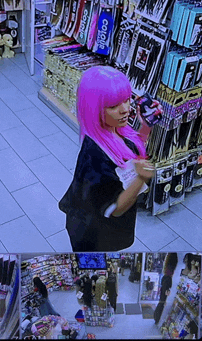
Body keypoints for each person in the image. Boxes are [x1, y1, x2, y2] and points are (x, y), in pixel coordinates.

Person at [59, 66, 158, 251]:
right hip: (94, 233)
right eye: (113, 106)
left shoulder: (116, 129)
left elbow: (131, 153)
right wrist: (141, 179)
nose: (125, 110)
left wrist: (146, 126)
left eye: (127, 100)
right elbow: (114, 209)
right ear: (94, 109)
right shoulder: (94, 156)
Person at [154, 253, 178, 325]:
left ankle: (157, 317)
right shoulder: (169, 276)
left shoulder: (166, 272)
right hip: (167, 281)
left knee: (161, 301)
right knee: (162, 301)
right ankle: (157, 317)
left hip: (165, 279)